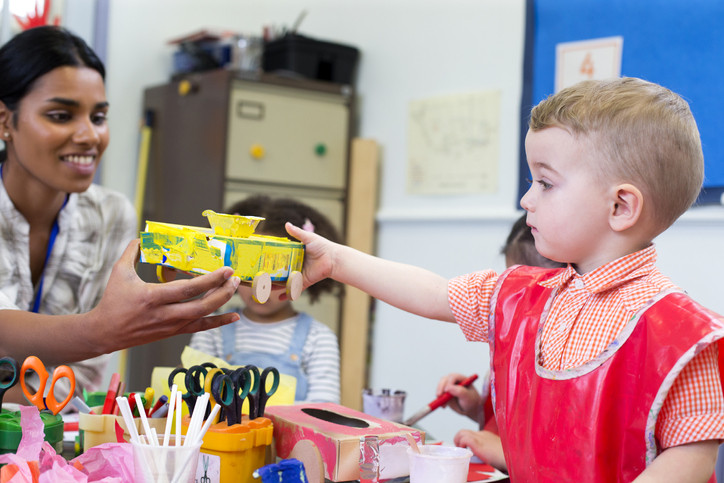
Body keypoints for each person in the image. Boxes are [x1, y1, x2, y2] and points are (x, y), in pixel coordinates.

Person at [286, 77, 724, 482]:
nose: (526, 199)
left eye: (546, 184)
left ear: (621, 207)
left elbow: (693, 458)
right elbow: (435, 293)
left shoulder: (685, 339)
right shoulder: (521, 294)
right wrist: (336, 261)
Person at [0, 26, 240, 401]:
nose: (89, 136)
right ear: (4, 121)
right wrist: (100, 331)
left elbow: (76, 376)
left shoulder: (110, 214)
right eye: (61, 116)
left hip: (48, 430)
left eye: (98, 117)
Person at [436, 213, 565, 471]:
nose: (509, 302)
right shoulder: (513, 346)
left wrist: (506, 455)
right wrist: (476, 407)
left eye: (519, 294)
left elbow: (568, 460)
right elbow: (513, 421)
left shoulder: (566, 364)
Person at [190, 195, 342, 403]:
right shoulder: (212, 329)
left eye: (274, 275)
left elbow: (324, 409)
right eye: (248, 273)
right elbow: (193, 395)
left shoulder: (318, 339)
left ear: (303, 270)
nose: (259, 287)